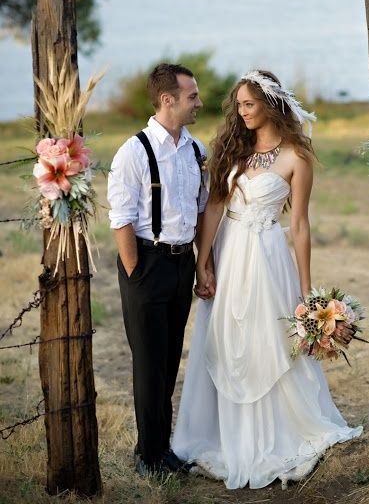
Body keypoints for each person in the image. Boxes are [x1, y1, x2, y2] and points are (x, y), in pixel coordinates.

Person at [172, 70, 362, 489]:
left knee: (267, 339)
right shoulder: (231, 150)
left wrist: (307, 291)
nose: (242, 113)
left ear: (271, 104)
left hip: (267, 257)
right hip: (228, 251)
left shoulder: (297, 157)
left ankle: (281, 430)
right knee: (225, 339)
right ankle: (227, 432)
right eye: (238, 105)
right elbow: (215, 208)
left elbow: (299, 226)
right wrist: (203, 263)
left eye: (249, 105)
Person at [107, 63, 208, 476]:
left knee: (167, 362)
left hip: (183, 265)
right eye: (192, 96)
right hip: (147, 265)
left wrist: (201, 265)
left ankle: (157, 447)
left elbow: (200, 212)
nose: (199, 102)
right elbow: (121, 218)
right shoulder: (134, 151)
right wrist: (135, 272)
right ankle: (150, 457)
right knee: (149, 364)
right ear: (168, 100)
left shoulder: (196, 149)